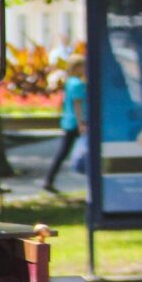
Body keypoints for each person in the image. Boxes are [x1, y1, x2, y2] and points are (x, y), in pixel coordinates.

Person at [42, 58, 88, 193]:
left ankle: (49, 179)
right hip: (77, 122)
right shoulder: (77, 84)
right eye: (83, 66)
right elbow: (77, 104)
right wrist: (81, 124)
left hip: (68, 121)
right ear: (78, 67)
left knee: (62, 153)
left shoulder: (69, 82)